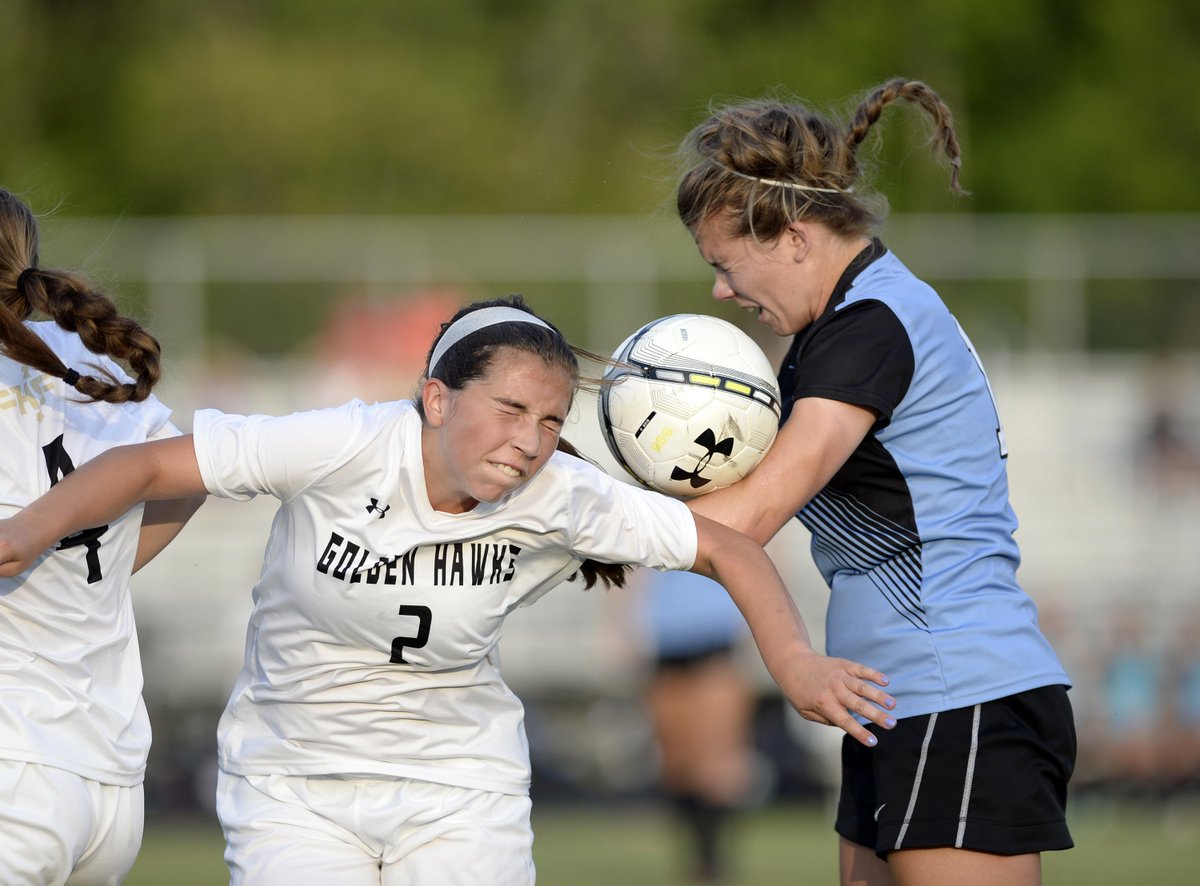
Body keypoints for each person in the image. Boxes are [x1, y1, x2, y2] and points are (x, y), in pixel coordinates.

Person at [0, 295, 897, 885]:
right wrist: (26, 533)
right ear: (435, 399)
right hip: (291, 784)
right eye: (510, 409)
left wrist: (795, 662)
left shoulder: (561, 494)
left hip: (460, 786)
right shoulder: (346, 442)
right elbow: (150, 464)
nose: (531, 440)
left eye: (550, 419)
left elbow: (730, 550)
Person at [673, 80, 1076, 886]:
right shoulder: (845, 324)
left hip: (957, 692)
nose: (720, 290)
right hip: (896, 699)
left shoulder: (870, 326)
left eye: (724, 264)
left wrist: (586, 520)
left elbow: (749, 517)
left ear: (793, 236)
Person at [0, 187, 203, 884]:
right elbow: (192, 477)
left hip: (14, 766)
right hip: (109, 777)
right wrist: (104, 568)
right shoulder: (86, 363)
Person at [640, 569, 756, 884]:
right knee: (676, 766)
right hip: (664, 640)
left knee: (717, 766)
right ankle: (695, 863)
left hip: (715, 637)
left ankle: (712, 864)